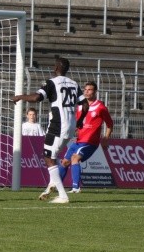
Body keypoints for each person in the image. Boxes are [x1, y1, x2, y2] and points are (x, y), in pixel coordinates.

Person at [11, 56, 88, 204]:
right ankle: (51, 185)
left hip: (58, 125)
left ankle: (63, 195)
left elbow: (37, 97)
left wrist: (20, 96)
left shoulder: (52, 82)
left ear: (56, 68)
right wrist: (79, 121)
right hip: (70, 125)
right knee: (53, 155)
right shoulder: (74, 84)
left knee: (48, 157)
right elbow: (85, 105)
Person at [55, 81, 114, 193]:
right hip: (78, 140)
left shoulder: (100, 107)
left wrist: (106, 138)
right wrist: (75, 130)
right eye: (85, 89)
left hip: (90, 141)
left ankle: (76, 187)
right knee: (64, 162)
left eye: (90, 90)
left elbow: (110, 124)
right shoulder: (80, 105)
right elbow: (78, 122)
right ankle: (57, 187)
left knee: (75, 158)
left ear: (95, 91)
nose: (87, 92)